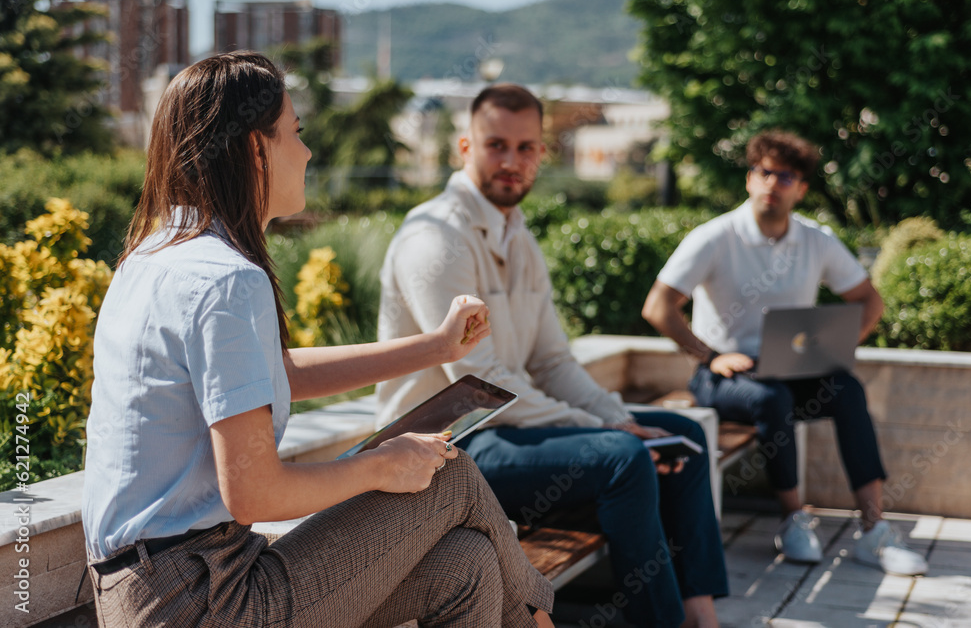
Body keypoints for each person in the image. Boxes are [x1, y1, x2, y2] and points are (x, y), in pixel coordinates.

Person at [81, 52, 555, 628]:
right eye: (295, 133)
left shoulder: (156, 256)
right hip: (201, 601)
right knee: (449, 471)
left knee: (467, 566)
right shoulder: (226, 279)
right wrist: (383, 466)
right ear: (256, 149)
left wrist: (435, 348)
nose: (306, 153)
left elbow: (279, 372)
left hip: (165, 587)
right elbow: (253, 493)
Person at [376, 84, 728, 628]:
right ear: (465, 148)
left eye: (525, 148)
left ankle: (702, 617)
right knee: (623, 458)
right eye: (496, 145)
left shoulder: (521, 238)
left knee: (684, 439)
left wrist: (617, 417)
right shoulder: (436, 238)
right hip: (449, 449)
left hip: (512, 431)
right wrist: (605, 430)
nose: (511, 162)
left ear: (542, 153)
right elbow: (482, 384)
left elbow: (553, 362)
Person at [641, 130, 928, 576]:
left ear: (802, 188)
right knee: (770, 398)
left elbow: (870, 301)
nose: (773, 183)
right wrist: (710, 355)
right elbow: (657, 307)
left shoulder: (816, 240)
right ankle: (794, 520)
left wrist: (836, 347)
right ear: (750, 179)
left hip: (791, 372)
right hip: (722, 377)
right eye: (764, 172)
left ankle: (874, 531)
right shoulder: (714, 237)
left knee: (847, 389)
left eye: (786, 176)